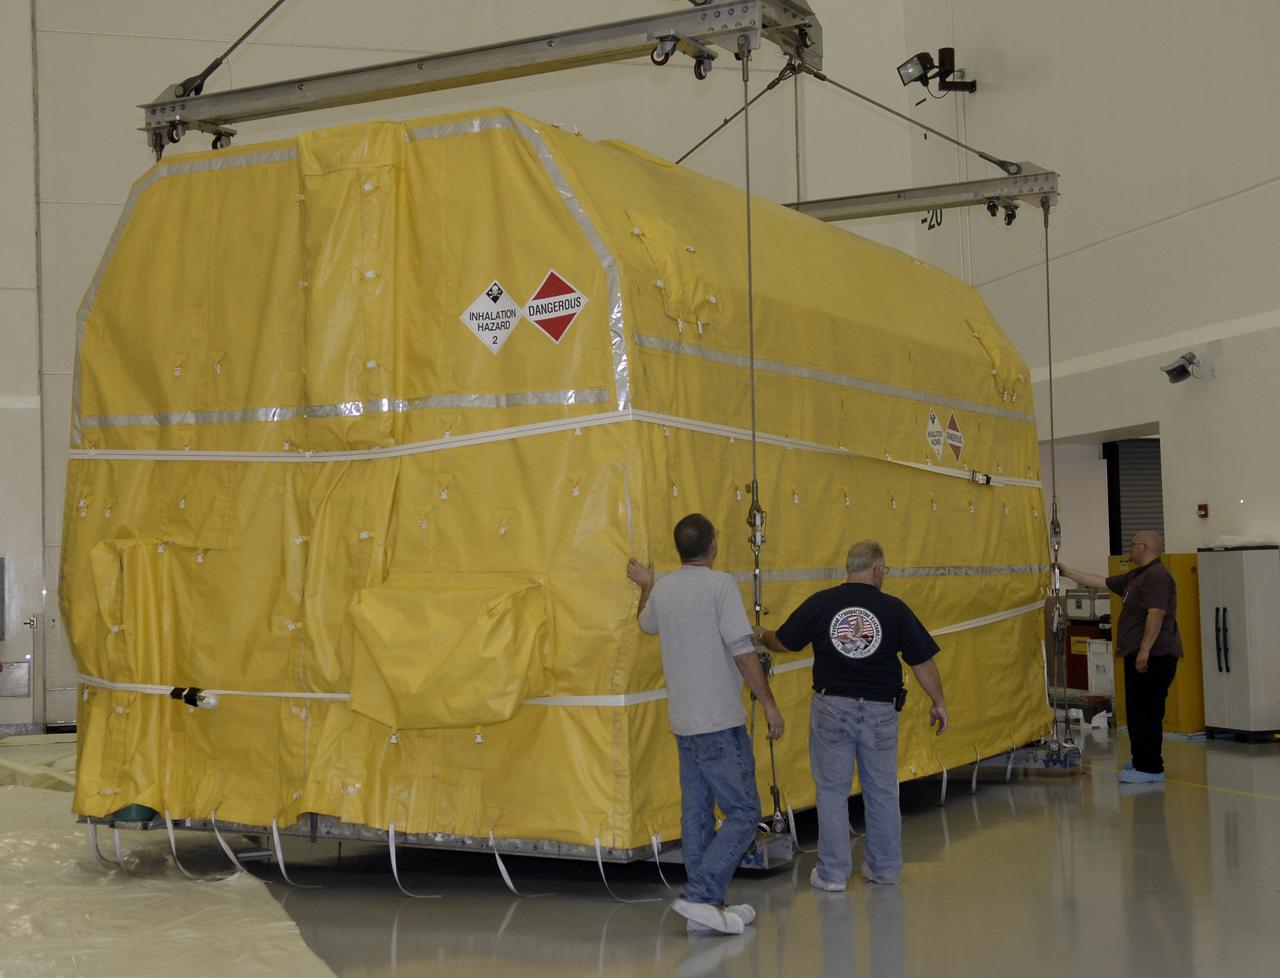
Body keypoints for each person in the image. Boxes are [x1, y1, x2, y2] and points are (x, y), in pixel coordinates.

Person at [626, 513, 784, 936]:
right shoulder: (720, 586)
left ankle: (706, 902)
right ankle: (700, 894)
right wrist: (768, 704)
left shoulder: (665, 590)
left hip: (684, 722)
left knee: (696, 815)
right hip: (718, 721)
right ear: (712, 546)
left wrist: (646, 585)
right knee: (745, 812)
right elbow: (741, 650)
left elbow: (645, 624)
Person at [755, 540, 946, 890]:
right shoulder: (894, 609)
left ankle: (833, 875)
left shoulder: (823, 602)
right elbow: (922, 661)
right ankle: (885, 869)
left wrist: (762, 635)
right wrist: (938, 702)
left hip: (832, 707)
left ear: (849, 568)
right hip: (880, 710)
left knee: (831, 791)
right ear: (876, 570)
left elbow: (784, 642)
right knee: (883, 791)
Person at [1059, 530, 1182, 783]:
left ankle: (1150, 768)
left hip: (1153, 656)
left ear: (1145, 547)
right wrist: (1068, 572)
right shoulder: (1137, 576)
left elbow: (1156, 614)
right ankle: (1141, 760)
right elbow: (1102, 582)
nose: (1130, 549)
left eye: (1133, 545)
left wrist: (1145, 649)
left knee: (1146, 711)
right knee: (1137, 710)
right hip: (1138, 654)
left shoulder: (1157, 576)